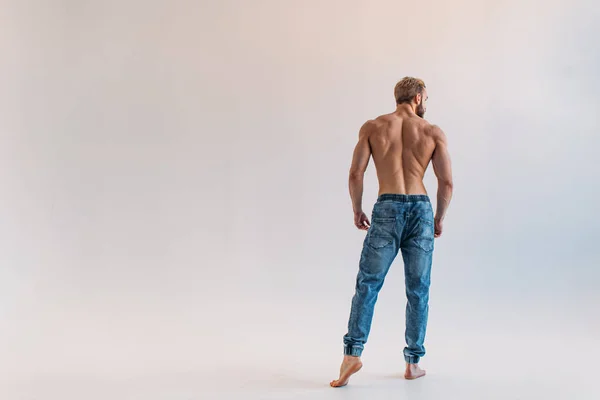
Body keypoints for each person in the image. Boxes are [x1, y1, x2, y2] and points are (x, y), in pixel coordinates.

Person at [330, 77, 454, 387]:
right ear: (417, 97)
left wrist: (357, 209)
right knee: (418, 289)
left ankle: (352, 355)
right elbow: (446, 182)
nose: (426, 102)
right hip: (421, 210)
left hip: (385, 208)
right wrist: (438, 217)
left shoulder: (373, 127)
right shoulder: (432, 132)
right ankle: (413, 363)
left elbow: (356, 173)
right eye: (425, 97)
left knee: (368, 284)